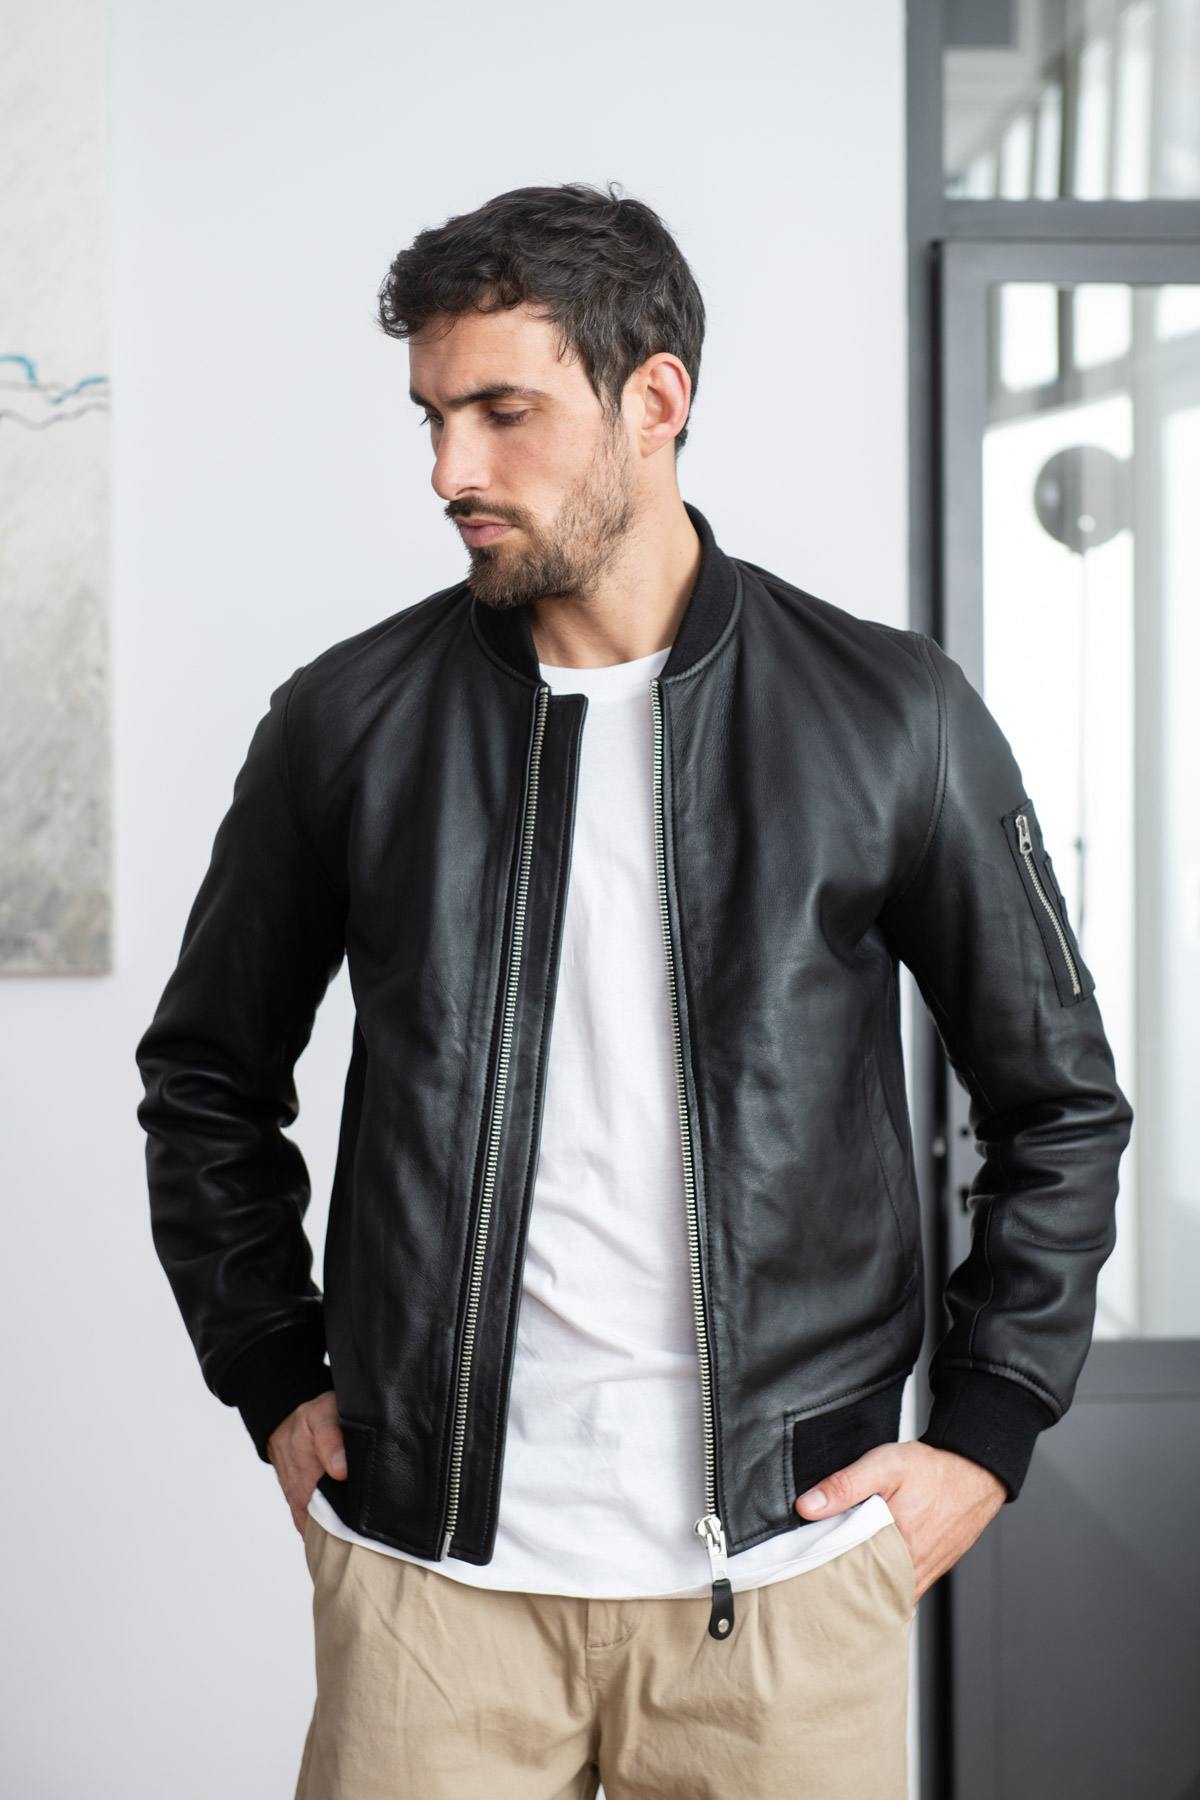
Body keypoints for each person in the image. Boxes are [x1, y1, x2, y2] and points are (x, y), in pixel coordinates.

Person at [135, 180, 1134, 1800]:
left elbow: (1059, 1102)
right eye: (434, 417)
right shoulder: (347, 724)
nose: (451, 471)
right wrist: (272, 1370)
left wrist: (988, 1428)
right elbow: (204, 1079)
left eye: (503, 411)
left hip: (788, 1590)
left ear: (654, 399)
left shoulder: (890, 716)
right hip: (431, 1593)